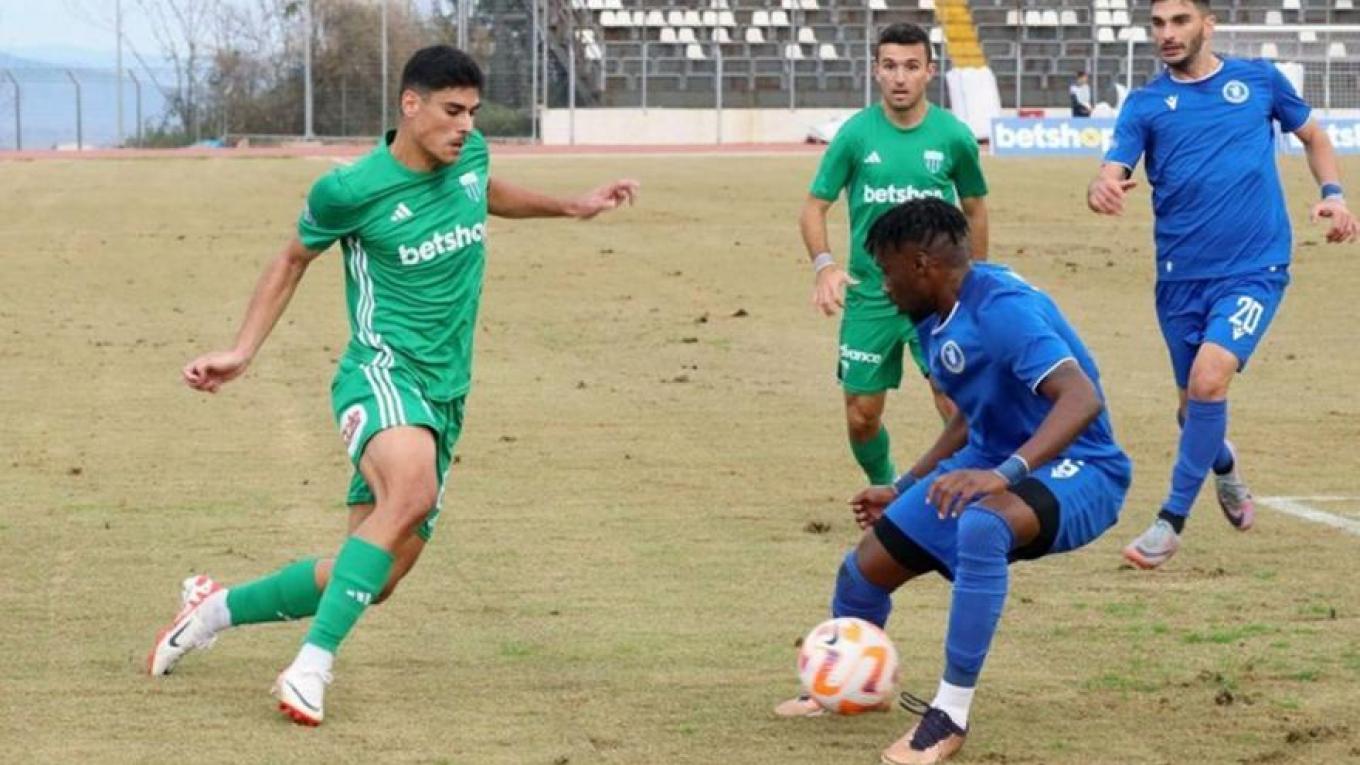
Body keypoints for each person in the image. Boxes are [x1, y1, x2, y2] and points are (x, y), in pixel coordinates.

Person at [146, 45, 639, 725]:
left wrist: (570, 206)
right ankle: (310, 666)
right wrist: (242, 349)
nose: (466, 125)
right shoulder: (350, 190)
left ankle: (214, 609)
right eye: (452, 110)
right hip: (381, 373)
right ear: (411, 105)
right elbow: (292, 258)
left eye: (472, 112)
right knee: (412, 492)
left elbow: (483, 191)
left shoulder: (470, 156)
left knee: (373, 578)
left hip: (446, 392)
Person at [776, 199, 1131, 765]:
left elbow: (1080, 397)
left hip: (1082, 466)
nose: (883, 286)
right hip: (993, 460)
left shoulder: (1002, 310)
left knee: (983, 526)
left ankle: (950, 715)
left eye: (887, 272)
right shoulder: (937, 312)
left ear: (922, 265)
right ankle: (853, 684)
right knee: (863, 570)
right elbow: (971, 413)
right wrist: (904, 485)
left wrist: (1001, 474)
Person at [1087, 0, 1357, 568]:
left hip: (1255, 268)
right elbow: (1113, 170)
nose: (1167, 33)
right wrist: (1101, 188)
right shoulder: (1145, 104)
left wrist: (1333, 196)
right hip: (1180, 276)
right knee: (1192, 409)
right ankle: (1224, 465)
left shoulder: (1258, 80)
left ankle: (1170, 522)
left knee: (1210, 382)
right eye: (1158, 23)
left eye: (1180, 21)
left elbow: (1314, 137)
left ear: (1207, 25)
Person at [800, 22, 989, 489]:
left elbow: (975, 208)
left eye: (910, 66)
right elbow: (814, 207)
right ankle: (886, 484)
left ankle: (961, 491)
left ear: (929, 71)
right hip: (872, 295)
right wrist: (825, 266)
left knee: (955, 402)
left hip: (938, 298)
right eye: (890, 66)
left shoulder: (953, 136)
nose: (900, 77)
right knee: (861, 415)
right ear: (876, 71)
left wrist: (976, 280)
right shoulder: (854, 135)